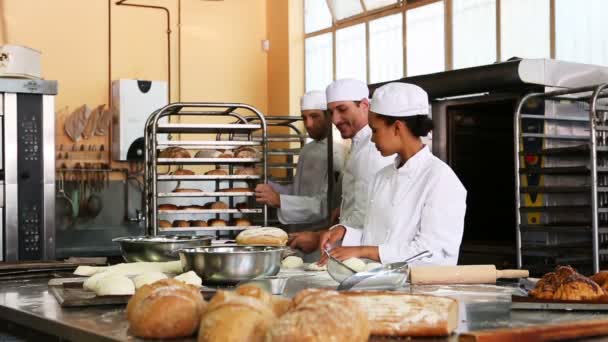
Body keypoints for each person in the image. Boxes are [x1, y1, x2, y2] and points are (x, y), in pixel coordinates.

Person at [318, 82, 467, 266]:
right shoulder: (382, 177)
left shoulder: (440, 179)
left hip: (420, 292)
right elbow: (375, 236)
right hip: (378, 285)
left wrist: (365, 251)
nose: (372, 139)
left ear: (397, 127)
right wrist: (344, 232)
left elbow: (433, 254)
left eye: (375, 130)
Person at [288, 79, 394, 252]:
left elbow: (368, 215)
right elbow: (361, 198)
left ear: (364, 105)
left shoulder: (374, 149)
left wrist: (319, 237)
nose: (335, 119)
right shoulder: (359, 144)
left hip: (365, 253)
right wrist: (344, 208)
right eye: (331, 112)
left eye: (343, 109)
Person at [255, 91, 347, 231]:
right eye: (304, 118)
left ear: (329, 116)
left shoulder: (338, 153)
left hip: (320, 235)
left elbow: (326, 205)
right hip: (298, 232)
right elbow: (298, 191)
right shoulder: (307, 150)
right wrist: (266, 184)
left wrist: (280, 200)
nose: (308, 124)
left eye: (314, 116)